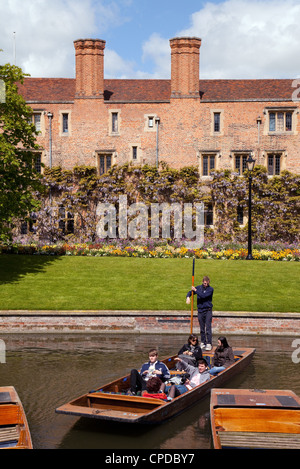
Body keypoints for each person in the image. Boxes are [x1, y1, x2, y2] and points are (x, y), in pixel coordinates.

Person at [186, 275, 214, 351]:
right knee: (202, 328)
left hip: (207, 310)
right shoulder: (198, 288)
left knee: (208, 328)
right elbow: (190, 292)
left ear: (208, 282)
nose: (205, 285)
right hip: (200, 311)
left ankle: (209, 343)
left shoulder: (210, 289)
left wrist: (195, 290)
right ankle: (203, 342)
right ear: (202, 282)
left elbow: (203, 296)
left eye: (207, 283)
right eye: (204, 283)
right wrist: (188, 297)